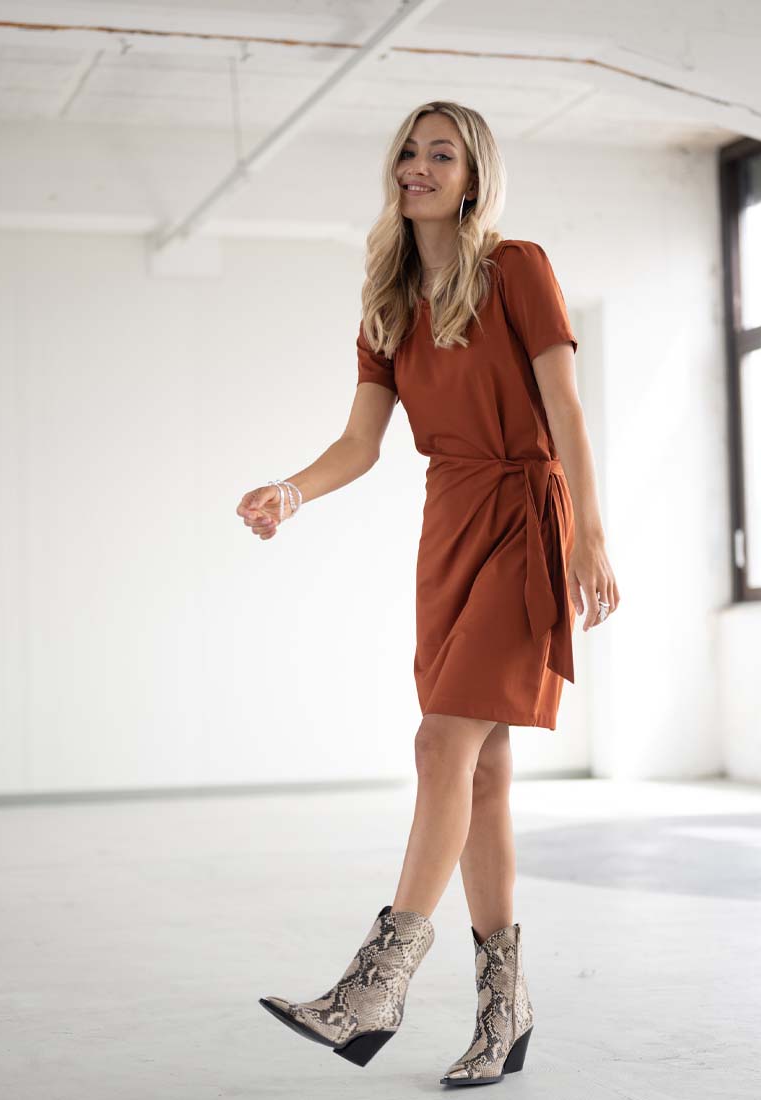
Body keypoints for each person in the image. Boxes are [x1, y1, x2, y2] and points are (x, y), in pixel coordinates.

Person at [236, 100, 620, 1083]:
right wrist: (291, 490)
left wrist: (588, 533)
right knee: (480, 770)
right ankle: (505, 1010)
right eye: (408, 151)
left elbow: (566, 407)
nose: (416, 165)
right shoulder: (388, 302)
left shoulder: (518, 267)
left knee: (439, 742)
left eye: (440, 154)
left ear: (473, 176)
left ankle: (375, 985)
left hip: (522, 516)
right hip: (447, 527)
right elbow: (360, 442)